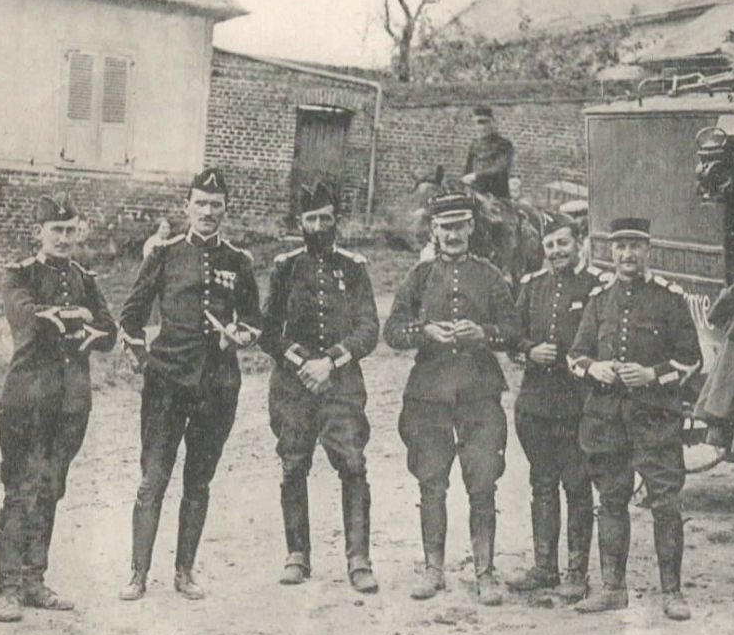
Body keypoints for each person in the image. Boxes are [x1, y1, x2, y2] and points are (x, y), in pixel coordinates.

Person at [117, 168, 261, 601]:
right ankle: (138, 574)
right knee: (153, 480)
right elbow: (131, 314)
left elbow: (255, 321)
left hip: (217, 386)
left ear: (225, 210)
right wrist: (146, 360)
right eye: (201, 203)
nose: (208, 212)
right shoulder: (163, 254)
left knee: (199, 481)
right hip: (166, 385)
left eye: (216, 205)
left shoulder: (239, 261)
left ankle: (184, 572)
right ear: (187, 207)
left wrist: (240, 335)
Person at [383, 188, 520, 605]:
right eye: (445, 227)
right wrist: (424, 332)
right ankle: (433, 569)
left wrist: (485, 334)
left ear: (472, 228)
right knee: (431, 481)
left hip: (479, 393)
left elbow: (513, 331)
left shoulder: (491, 276)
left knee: (482, 481)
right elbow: (391, 331)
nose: (453, 233)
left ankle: (485, 572)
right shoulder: (419, 277)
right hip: (429, 394)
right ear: (434, 231)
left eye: (460, 225)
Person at [568, 217, 702, 621]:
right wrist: (596, 369)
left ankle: (672, 593)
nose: (628, 255)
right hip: (607, 417)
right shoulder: (598, 300)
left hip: (654, 416)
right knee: (611, 499)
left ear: (649, 252)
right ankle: (613, 588)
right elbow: (576, 356)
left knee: (665, 501)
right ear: (611, 252)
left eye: (636, 247)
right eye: (621, 247)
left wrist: (651, 375)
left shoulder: (669, 299)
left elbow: (690, 360)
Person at [0, 194, 118, 622]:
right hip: (27, 400)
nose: (64, 238)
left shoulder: (84, 277)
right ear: (39, 233)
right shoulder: (19, 275)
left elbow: (110, 329)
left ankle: (34, 580)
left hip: (69, 402)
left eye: (70, 230)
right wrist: (77, 315)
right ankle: (7, 587)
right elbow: (27, 317)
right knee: (20, 490)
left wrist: (93, 328)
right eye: (56, 231)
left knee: (51, 488)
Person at [261, 181, 381, 592]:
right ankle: (297, 554)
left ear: (336, 221)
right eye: (310, 219)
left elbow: (369, 328)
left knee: (352, 464)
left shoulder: (354, 267)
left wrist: (331, 360)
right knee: (294, 463)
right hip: (293, 387)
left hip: (341, 384)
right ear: (300, 223)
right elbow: (268, 330)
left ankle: (359, 558)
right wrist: (303, 363)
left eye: (325, 218)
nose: (317, 225)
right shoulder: (285, 267)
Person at [507, 211, 607, 603]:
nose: (556, 251)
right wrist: (530, 350)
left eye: (563, 243)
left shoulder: (598, 288)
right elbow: (512, 335)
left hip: (577, 404)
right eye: (549, 245)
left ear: (578, 243)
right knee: (542, 484)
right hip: (535, 404)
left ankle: (576, 573)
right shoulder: (532, 287)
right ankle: (544, 567)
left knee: (578, 486)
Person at [461, 105, 515, 200]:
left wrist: (476, 175)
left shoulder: (504, 144)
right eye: (478, 123)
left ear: (493, 123)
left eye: (485, 123)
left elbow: (500, 167)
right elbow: (468, 169)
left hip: (497, 194)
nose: (482, 127)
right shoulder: (474, 145)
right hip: (476, 192)